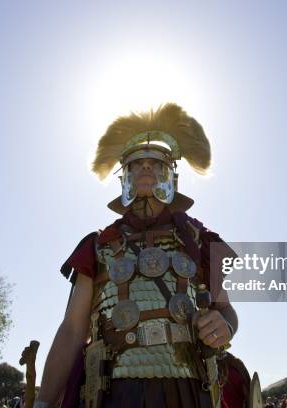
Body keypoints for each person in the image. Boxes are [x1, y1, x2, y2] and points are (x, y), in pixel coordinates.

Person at [35, 103, 242, 408]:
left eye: (156, 164)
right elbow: (72, 330)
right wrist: (42, 403)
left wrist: (226, 325)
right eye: (137, 164)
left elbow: (226, 310)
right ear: (125, 178)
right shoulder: (98, 245)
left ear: (171, 176)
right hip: (115, 391)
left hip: (190, 391)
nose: (146, 168)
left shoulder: (200, 243)